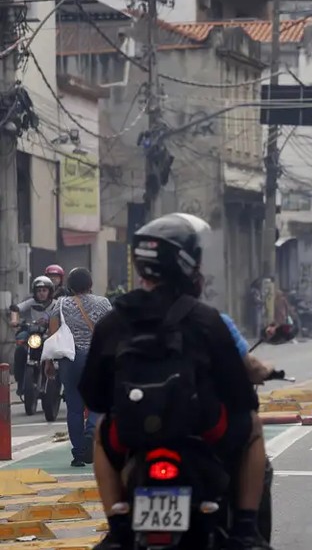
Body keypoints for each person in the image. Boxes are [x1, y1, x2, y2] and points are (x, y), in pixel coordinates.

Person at [80, 213, 273, 550]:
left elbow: (94, 397)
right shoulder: (206, 319)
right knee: (253, 426)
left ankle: (116, 528)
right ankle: (245, 529)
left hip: (132, 435)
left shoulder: (115, 320)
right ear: (186, 264)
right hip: (203, 429)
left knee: (99, 432)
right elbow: (242, 397)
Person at [44, 268, 112, 467]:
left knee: (73, 407)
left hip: (69, 360)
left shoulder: (61, 304)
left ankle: (78, 452)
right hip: (95, 359)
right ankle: (91, 431)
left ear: (70, 286)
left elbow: (53, 334)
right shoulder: (104, 303)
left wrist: (49, 362)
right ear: (90, 284)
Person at [9, 275, 56, 397]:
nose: (41, 293)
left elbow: (63, 315)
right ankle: (20, 381)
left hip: (49, 334)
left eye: (44, 290)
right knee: (20, 349)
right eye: (39, 291)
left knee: (61, 354)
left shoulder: (56, 304)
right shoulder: (31, 302)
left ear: (50, 291)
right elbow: (16, 309)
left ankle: (60, 384)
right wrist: (15, 320)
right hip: (31, 333)